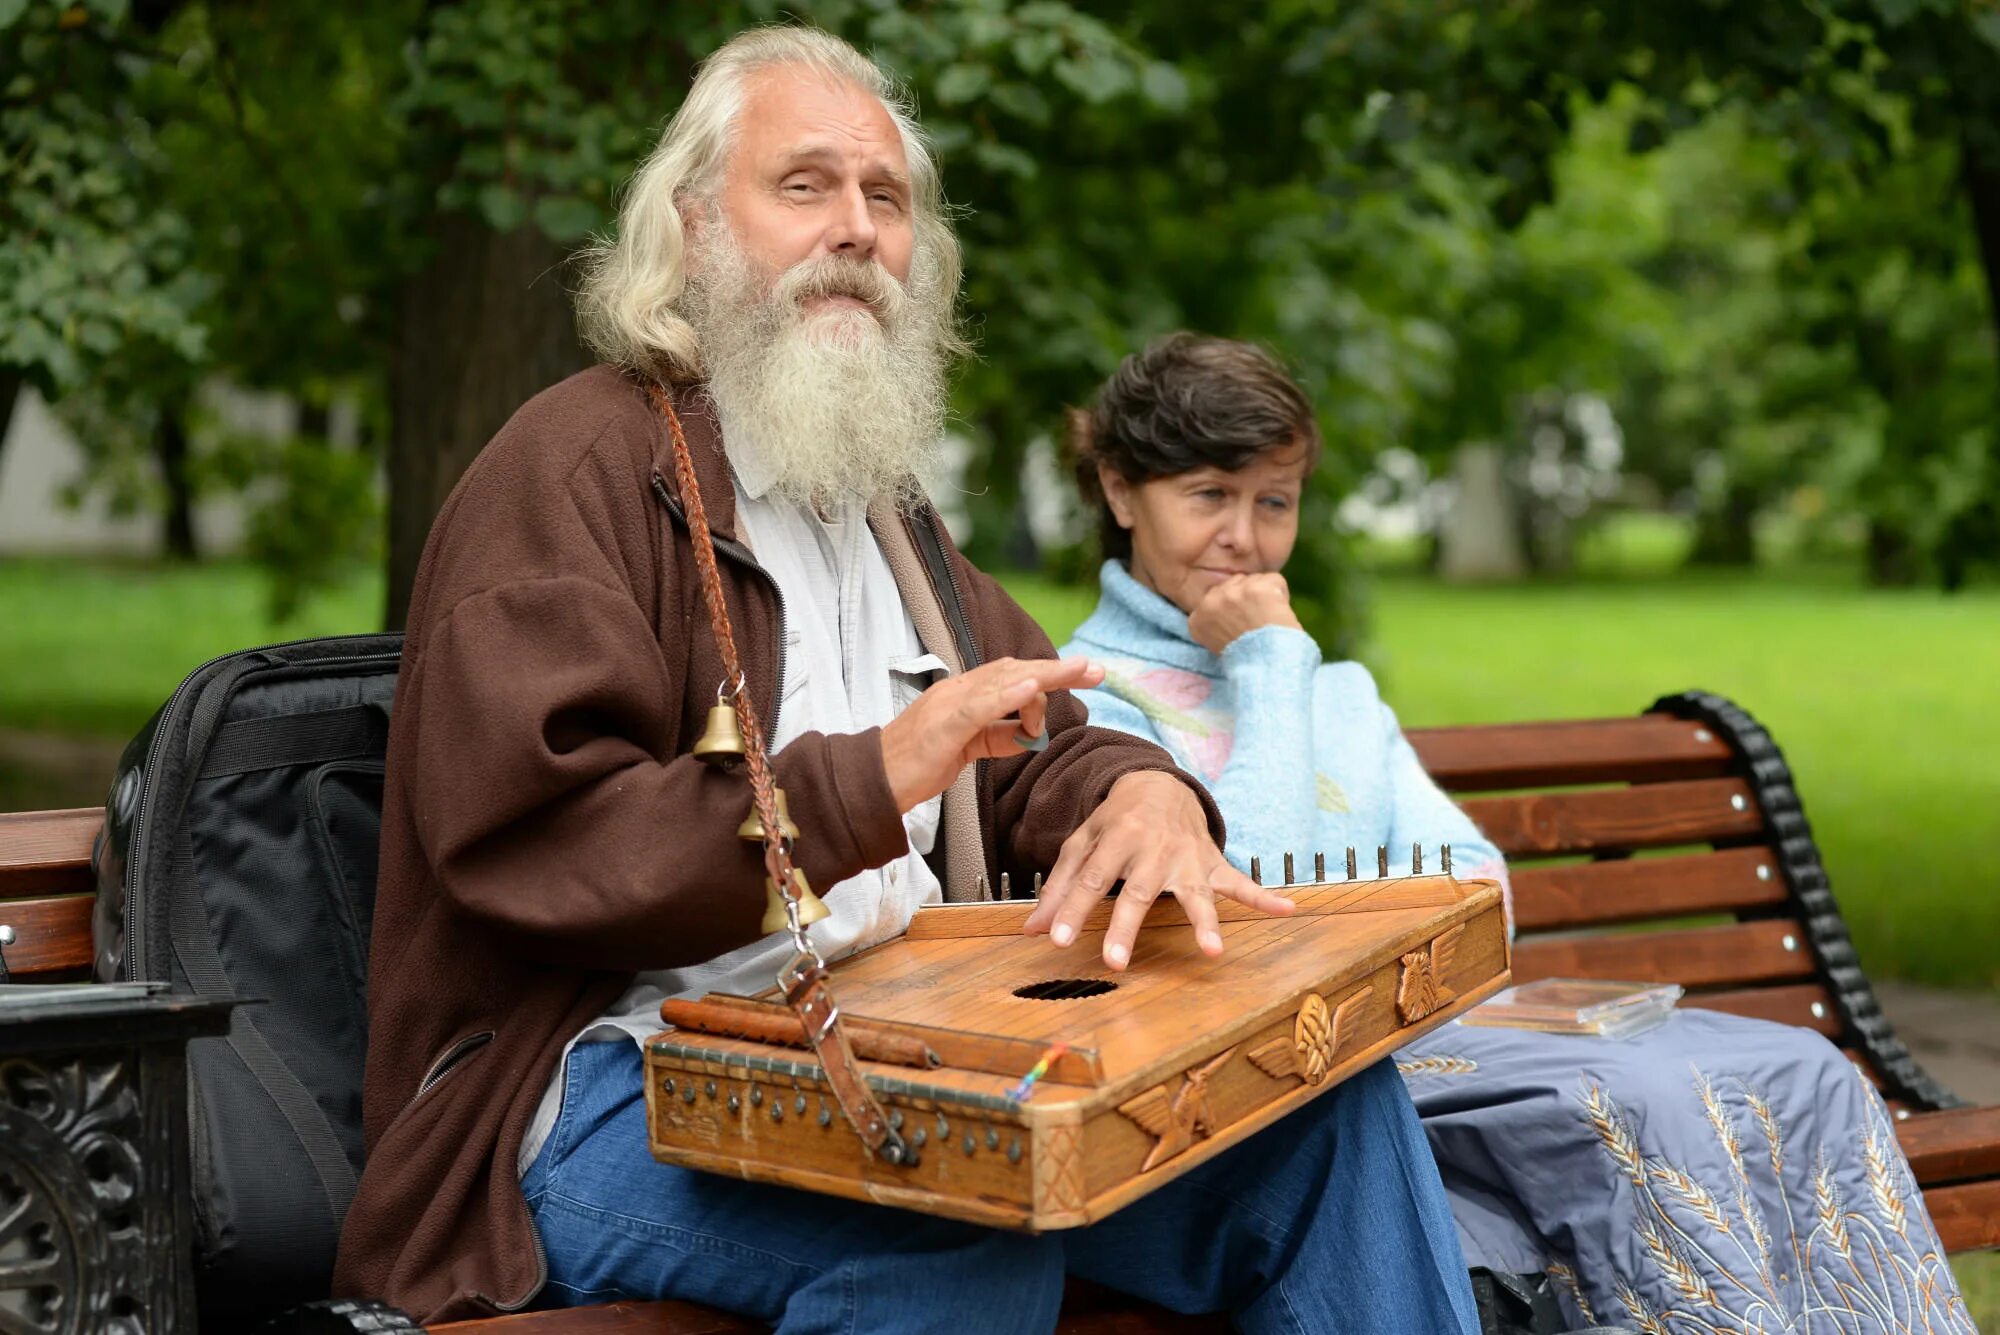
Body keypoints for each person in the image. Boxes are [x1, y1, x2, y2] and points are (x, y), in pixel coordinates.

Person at [332, 29, 1482, 1334]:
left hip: (898, 1040)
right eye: (804, 185)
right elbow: (541, 841)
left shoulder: (879, 504)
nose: (856, 229)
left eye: (886, 198)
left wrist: (1146, 793)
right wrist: (869, 782)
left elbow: (1040, 733)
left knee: (1325, 1118)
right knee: (953, 1220)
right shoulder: (572, 473)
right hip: (589, 1094)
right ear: (694, 226)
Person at [1057, 331, 1976, 1333]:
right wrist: (1270, 671)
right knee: (1649, 1105)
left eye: (1273, 501)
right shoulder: (1092, 710)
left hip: (1436, 1039)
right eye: (1207, 496)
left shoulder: (1340, 693)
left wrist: (1346, 894)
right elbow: (1253, 921)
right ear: (1119, 490)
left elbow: (1477, 885)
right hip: (1299, 1102)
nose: (1243, 536)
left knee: (1799, 1071)